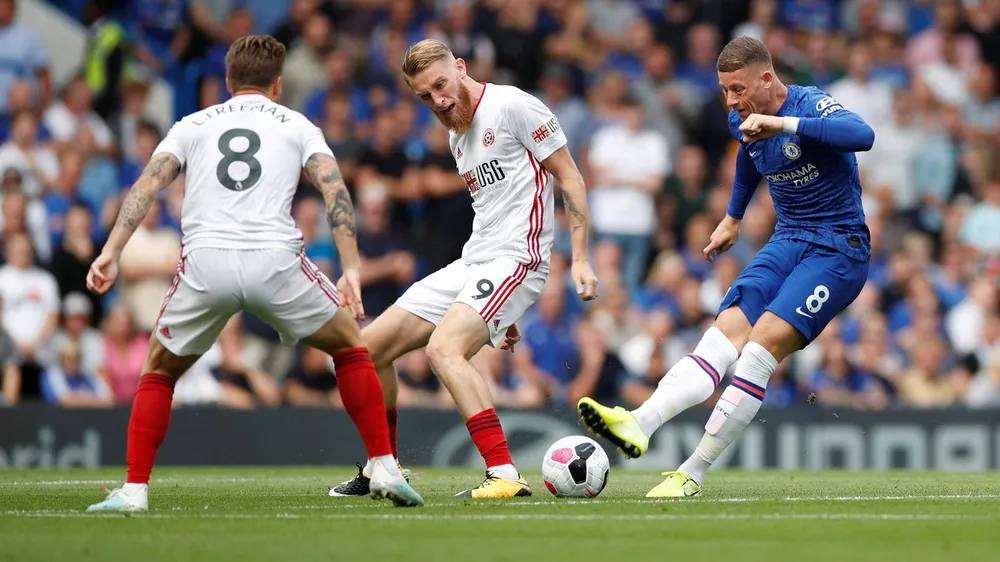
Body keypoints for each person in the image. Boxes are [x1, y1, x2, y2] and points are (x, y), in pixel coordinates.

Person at [84, 35, 423, 512]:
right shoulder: (297, 125)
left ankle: (135, 491)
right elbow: (335, 192)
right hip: (275, 260)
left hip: (206, 262)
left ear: (228, 82)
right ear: (278, 85)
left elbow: (147, 184)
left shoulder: (193, 124)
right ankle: (384, 466)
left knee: (158, 370)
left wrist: (111, 250)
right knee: (350, 346)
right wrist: (350, 267)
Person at [576, 35, 875, 497]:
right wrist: (733, 218)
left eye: (737, 89)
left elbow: (863, 136)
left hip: (838, 249)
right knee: (723, 334)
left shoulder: (809, 104)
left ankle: (691, 472)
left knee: (759, 348)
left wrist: (783, 124)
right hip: (788, 238)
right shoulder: (743, 121)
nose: (731, 101)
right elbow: (749, 160)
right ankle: (639, 422)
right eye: (724, 90)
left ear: (767, 78)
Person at [329, 39, 599, 499]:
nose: (438, 100)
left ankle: (504, 474)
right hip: (476, 261)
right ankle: (384, 467)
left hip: (519, 256)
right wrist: (502, 311)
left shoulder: (513, 105)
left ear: (460, 67)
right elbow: (496, 207)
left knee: (443, 350)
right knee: (363, 351)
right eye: (425, 96)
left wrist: (581, 257)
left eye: (441, 85)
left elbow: (569, 175)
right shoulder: (456, 135)